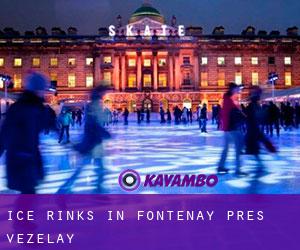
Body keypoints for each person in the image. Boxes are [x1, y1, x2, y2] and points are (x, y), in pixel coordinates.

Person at [0, 72, 56, 194]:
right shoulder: (28, 108)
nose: (43, 92)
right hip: (22, 160)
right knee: (27, 198)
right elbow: (5, 134)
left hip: (26, 159)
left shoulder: (32, 107)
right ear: (37, 89)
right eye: (42, 89)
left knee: (27, 197)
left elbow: (46, 123)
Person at [73, 85, 111, 192]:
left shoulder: (95, 104)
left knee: (98, 167)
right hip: (92, 141)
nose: (105, 94)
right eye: (104, 92)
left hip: (95, 140)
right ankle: (65, 189)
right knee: (86, 167)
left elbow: (95, 122)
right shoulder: (95, 105)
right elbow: (92, 124)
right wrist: (105, 132)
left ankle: (99, 188)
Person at [245, 87, 276, 175]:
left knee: (254, 146)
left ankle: (260, 162)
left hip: (253, 128)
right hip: (253, 128)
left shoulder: (253, 105)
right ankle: (261, 162)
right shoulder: (254, 105)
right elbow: (255, 116)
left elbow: (254, 116)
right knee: (255, 145)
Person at [217, 83, 246, 176]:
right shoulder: (229, 100)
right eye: (237, 89)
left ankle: (220, 166)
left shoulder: (227, 99)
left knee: (226, 149)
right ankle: (238, 169)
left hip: (227, 128)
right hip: (232, 128)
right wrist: (244, 116)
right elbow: (235, 113)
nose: (238, 91)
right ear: (233, 90)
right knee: (238, 148)